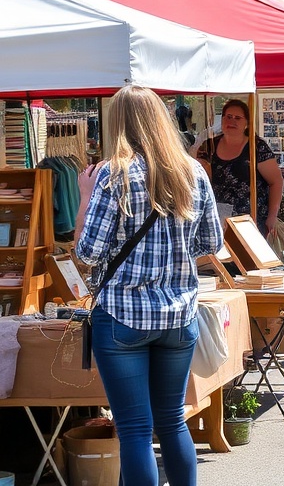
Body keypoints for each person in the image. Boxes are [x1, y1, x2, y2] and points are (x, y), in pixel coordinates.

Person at [75, 84, 222, 486]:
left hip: (123, 316)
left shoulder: (111, 174)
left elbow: (87, 252)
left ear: (118, 124)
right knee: (172, 421)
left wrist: (84, 197)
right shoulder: (193, 172)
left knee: (136, 429)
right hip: (178, 315)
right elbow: (212, 244)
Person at [196, 99, 283, 236]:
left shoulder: (257, 147)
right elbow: (201, 182)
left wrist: (272, 216)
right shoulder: (209, 147)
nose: (232, 121)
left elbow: (276, 181)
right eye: (228, 117)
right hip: (218, 220)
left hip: (251, 221)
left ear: (247, 123)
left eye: (238, 118)